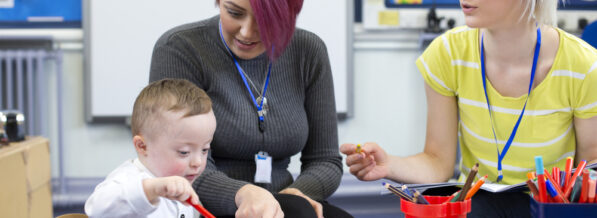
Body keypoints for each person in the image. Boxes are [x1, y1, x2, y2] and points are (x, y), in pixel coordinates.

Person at [341, 0, 597, 216]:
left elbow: (589, 171)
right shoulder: (447, 53)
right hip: (477, 204)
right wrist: (390, 166)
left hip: (547, 206)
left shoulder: (583, 66)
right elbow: (438, 164)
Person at [149, 0, 351, 217]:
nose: (247, 32)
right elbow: (180, 164)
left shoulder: (308, 51)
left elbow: (325, 161)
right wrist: (242, 193)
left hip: (287, 203)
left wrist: (295, 194)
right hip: (205, 206)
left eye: (266, 21)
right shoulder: (179, 47)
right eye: (234, 13)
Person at [85, 79, 216, 217]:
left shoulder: (184, 185)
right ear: (142, 146)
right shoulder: (127, 179)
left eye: (204, 150)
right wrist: (152, 189)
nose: (198, 162)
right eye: (184, 152)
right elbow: (96, 209)